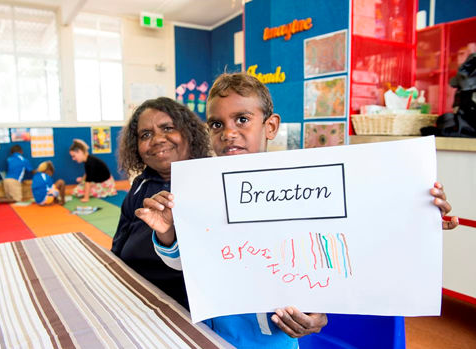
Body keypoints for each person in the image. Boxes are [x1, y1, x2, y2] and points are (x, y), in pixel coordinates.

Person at [135, 73, 460, 348]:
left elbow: (352, 245)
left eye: (242, 120)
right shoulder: (203, 189)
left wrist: (418, 218)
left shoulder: (299, 184)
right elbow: (186, 263)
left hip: (277, 336)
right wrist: (167, 233)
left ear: (271, 126)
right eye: (217, 124)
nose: (229, 132)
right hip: (214, 329)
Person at [111, 97, 211, 310]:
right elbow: (117, 247)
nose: (157, 139)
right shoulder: (140, 185)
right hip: (132, 296)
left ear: (188, 133)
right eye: (145, 135)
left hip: (183, 309)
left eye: (167, 128)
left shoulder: (210, 181)